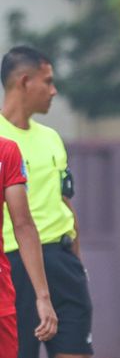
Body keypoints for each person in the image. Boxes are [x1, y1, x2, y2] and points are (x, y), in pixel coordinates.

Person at [0, 46, 93, 358]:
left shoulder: (52, 138)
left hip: (61, 261)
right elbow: (21, 222)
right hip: (15, 265)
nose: (54, 91)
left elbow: (64, 201)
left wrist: (75, 262)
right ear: (24, 82)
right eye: (48, 81)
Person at [0, 136, 58, 357]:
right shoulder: (5, 150)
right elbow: (23, 225)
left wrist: (43, 297)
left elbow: (23, 225)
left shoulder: (6, 150)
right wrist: (43, 298)